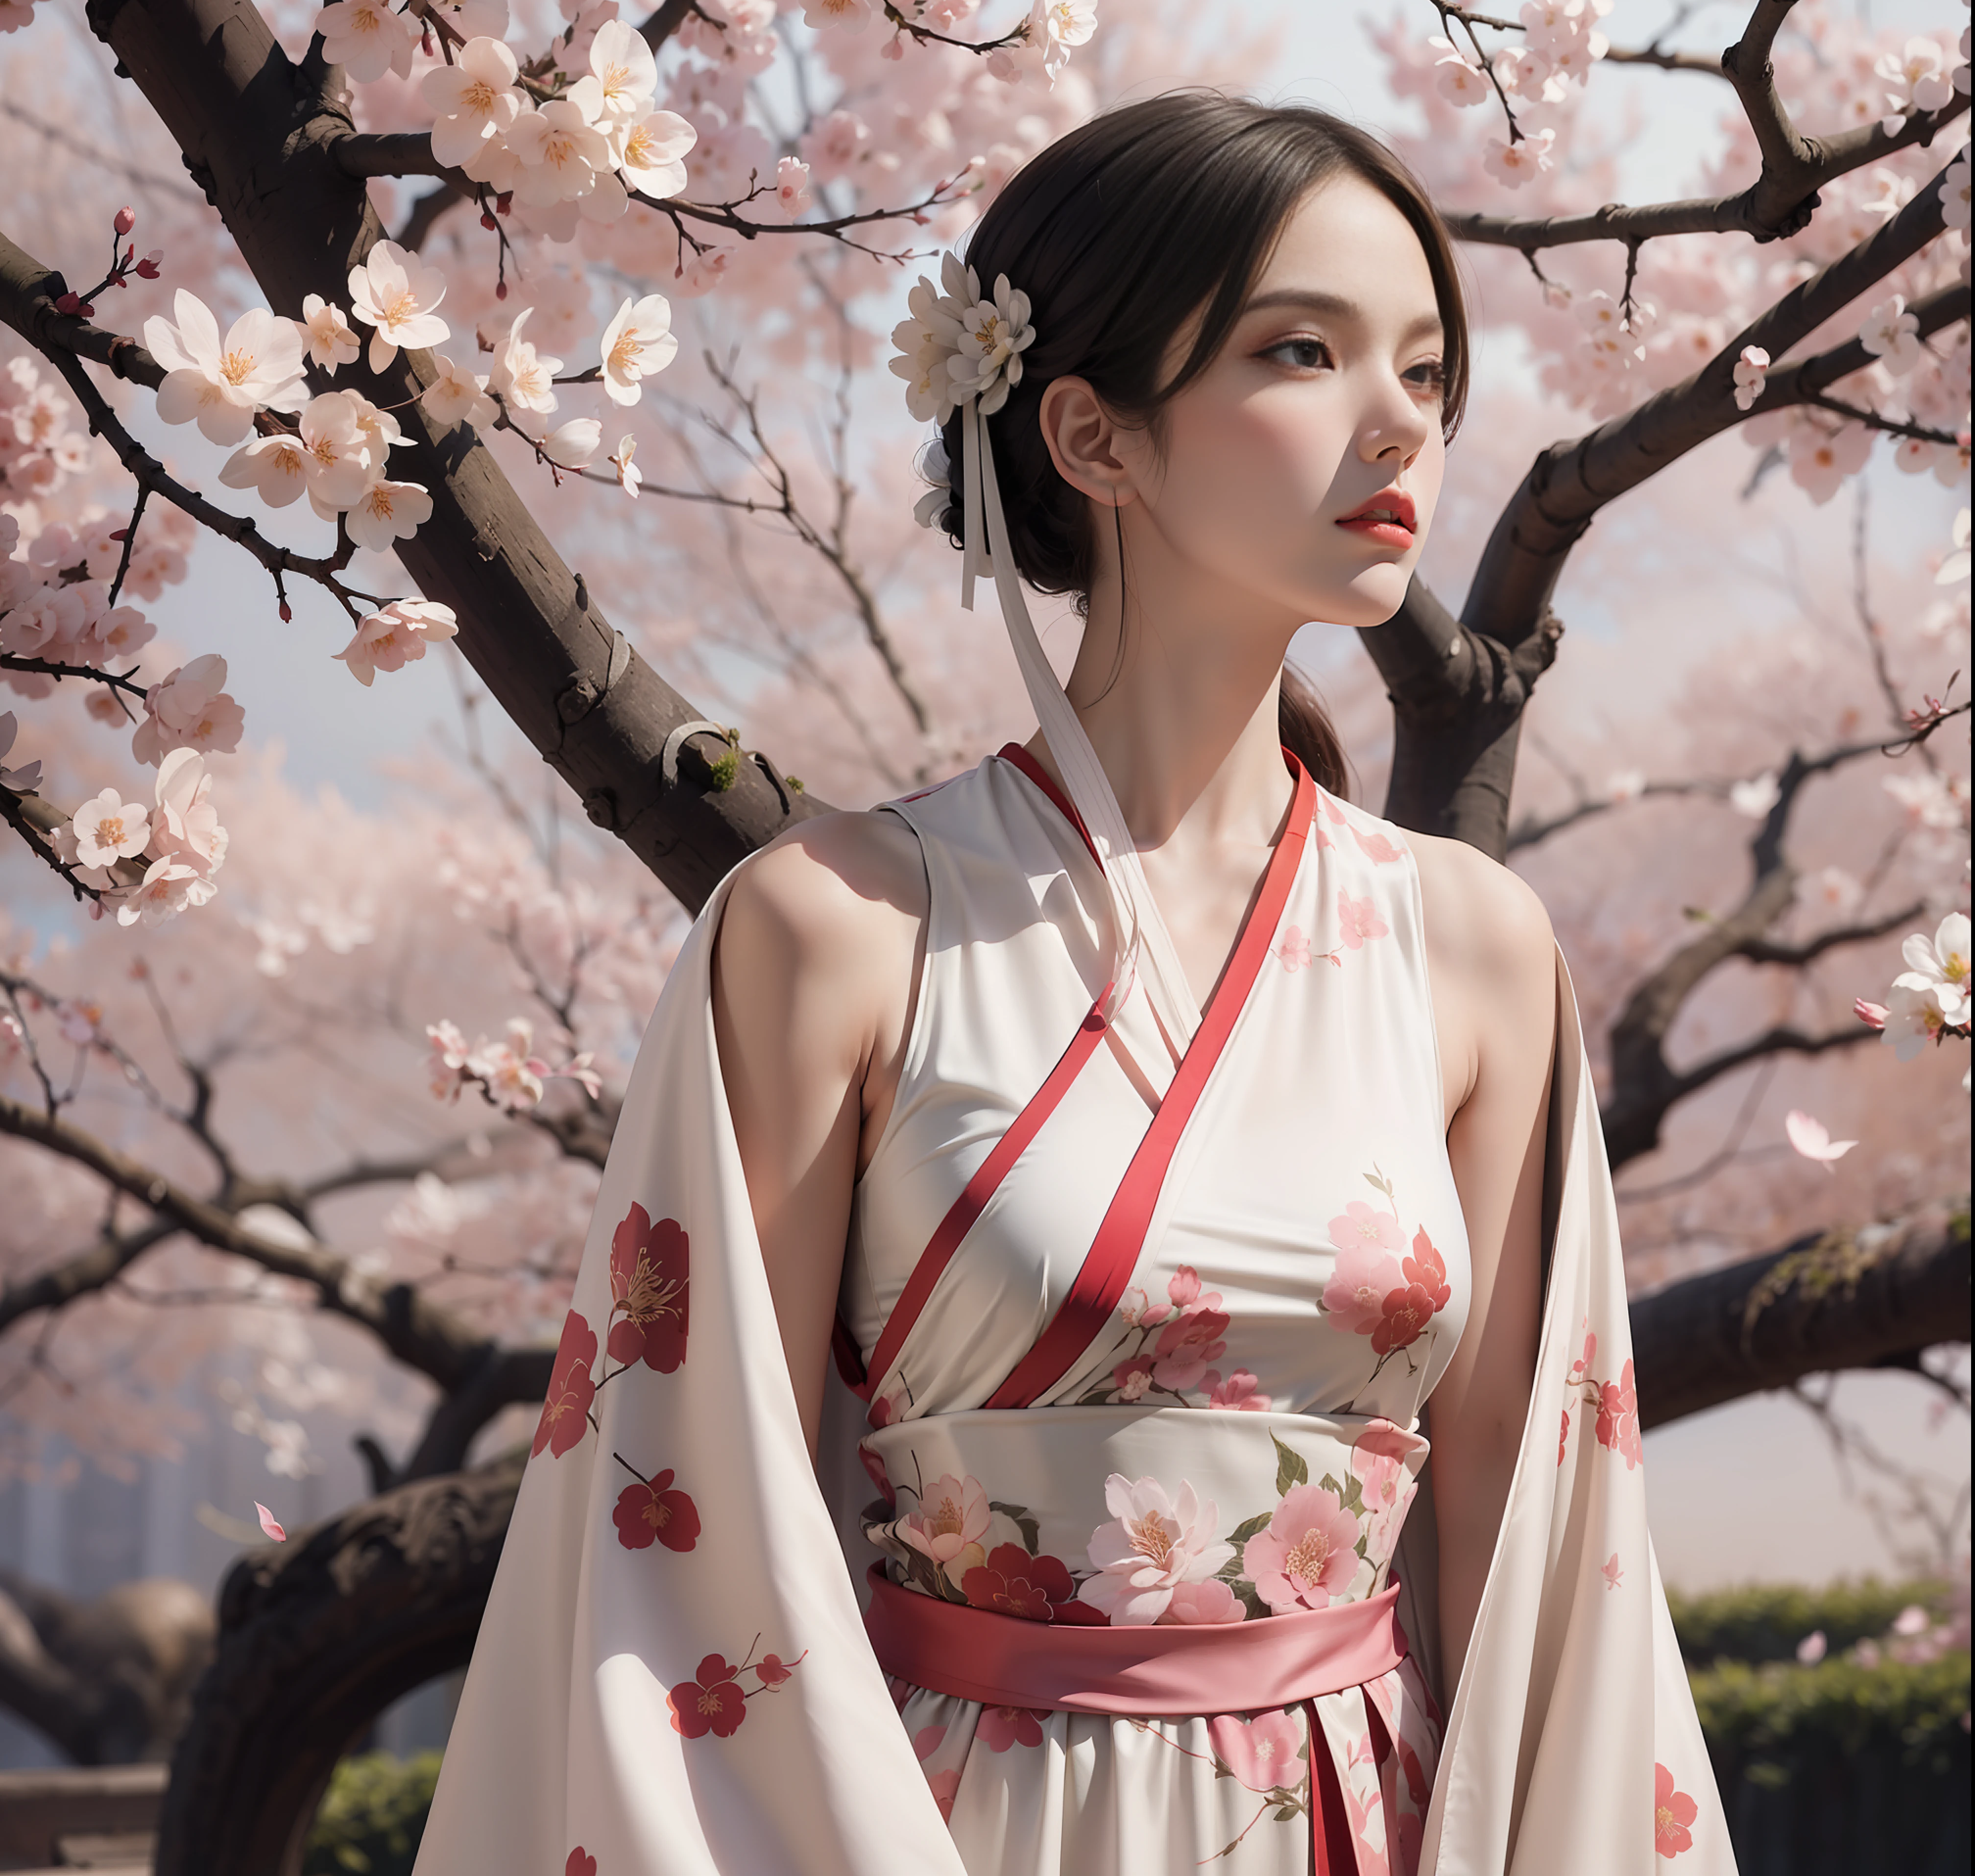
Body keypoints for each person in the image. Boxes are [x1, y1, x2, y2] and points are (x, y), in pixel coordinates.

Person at [414, 93, 1733, 1876]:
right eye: (1303, 349)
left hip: (1367, 1821)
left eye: (1426, 369)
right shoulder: (838, 927)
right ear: (1090, 435)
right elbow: (697, 1524)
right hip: (962, 1828)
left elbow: (1537, 1546)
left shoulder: (1474, 949)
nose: (1397, 420)